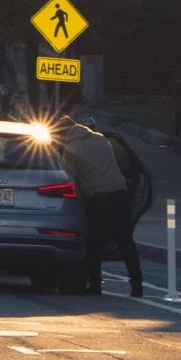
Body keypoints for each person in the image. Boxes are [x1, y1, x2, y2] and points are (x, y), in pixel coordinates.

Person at [61, 118, 143, 298]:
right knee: (125, 242)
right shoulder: (101, 139)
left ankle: (94, 284)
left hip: (97, 198)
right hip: (120, 194)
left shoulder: (71, 149)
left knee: (94, 243)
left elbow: (70, 178)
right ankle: (137, 285)